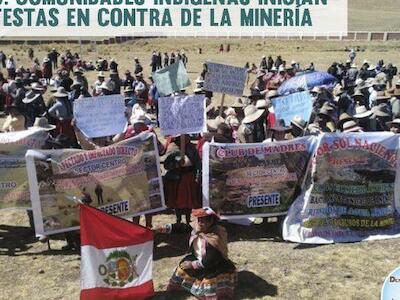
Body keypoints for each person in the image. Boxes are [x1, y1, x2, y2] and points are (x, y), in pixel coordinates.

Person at [155, 207, 237, 300]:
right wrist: (162, 229)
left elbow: (210, 260)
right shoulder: (197, 227)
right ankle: (183, 287)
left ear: (211, 222)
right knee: (181, 268)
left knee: (209, 281)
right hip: (198, 258)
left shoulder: (215, 237)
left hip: (214, 264)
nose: (199, 223)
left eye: (203, 221)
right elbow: (181, 228)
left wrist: (192, 265)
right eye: (199, 220)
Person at [164, 135, 201, 224]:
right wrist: (176, 163)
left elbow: (197, 162)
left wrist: (197, 175)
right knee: (177, 200)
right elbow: (167, 165)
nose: (187, 137)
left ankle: (188, 219)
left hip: (189, 177)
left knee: (189, 200)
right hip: (177, 178)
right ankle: (178, 219)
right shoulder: (172, 147)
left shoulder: (191, 148)